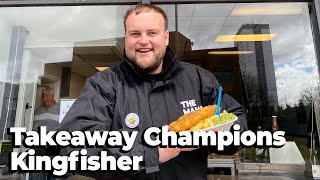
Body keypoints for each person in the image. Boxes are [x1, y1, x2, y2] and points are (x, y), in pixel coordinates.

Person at [58, 4, 247, 179]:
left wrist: (220, 135)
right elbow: (72, 148)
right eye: (135, 34)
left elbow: (237, 121)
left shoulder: (198, 79)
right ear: (126, 38)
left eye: (152, 33)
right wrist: (149, 152)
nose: (143, 41)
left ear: (165, 38)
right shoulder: (104, 84)